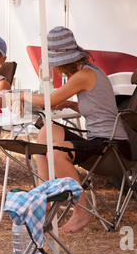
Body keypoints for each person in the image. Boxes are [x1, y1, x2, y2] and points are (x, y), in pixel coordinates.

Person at [19, 26, 131, 233]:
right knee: (46, 132)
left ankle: (81, 212)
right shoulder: (89, 72)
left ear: (63, 60)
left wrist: (22, 96)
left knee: (57, 151)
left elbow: (49, 100)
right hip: (98, 139)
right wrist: (71, 105)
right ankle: (46, 199)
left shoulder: (83, 76)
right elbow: (100, 110)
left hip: (113, 145)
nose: (56, 69)